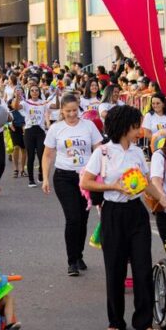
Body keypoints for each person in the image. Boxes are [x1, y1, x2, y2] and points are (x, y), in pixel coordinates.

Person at [80, 105, 159, 330]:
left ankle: (144, 322)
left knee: (143, 267)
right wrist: (112, 186)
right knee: (114, 268)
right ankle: (116, 319)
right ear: (125, 127)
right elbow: (86, 182)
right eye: (136, 127)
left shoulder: (137, 152)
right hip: (113, 212)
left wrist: (164, 200)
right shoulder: (102, 152)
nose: (140, 131)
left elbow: (147, 182)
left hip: (136, 211)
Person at [42, 93, 105, 276]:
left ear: (79, 108)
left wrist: (102, 174)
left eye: (74, 110)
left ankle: (79, 255)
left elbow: (99, 150)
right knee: (73, 218)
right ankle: (71, 261)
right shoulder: (56, 128)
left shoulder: (89, 126)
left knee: (83, 219)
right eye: (67, 111)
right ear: (61, 110)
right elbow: (47, 155)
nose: (71, 114)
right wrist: (45, 178)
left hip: (86, 178)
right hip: (64, 177)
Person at [20, 84, 48, 188]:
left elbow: (56, 106)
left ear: (39, 92)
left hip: (40, 131)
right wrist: (18, 96)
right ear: (29, 92)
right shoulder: (26, 103)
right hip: (29, 131)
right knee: (30, 156)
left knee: (41, 155)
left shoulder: (42, 103)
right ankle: (31, 180)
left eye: (37, 90)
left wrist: (57, 95)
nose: (35, 92)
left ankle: (41, 174)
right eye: (32, 90)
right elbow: (16, 107)